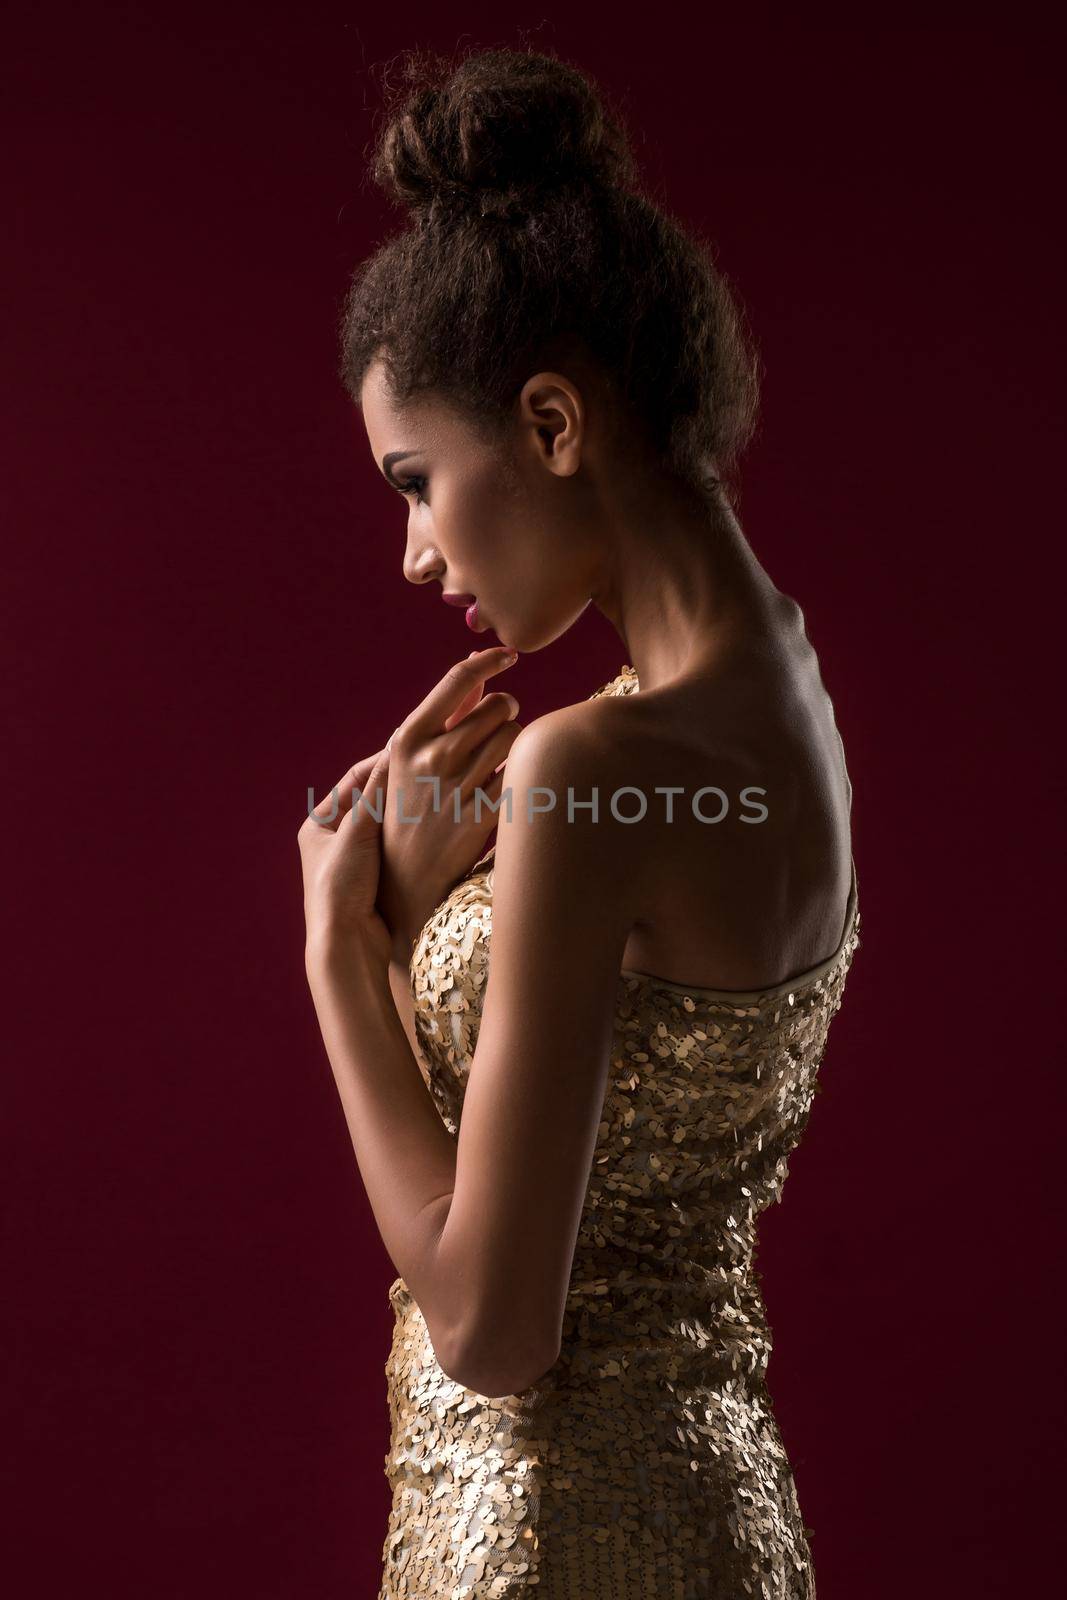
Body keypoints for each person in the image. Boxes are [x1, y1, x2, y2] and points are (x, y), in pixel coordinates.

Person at [297, 42, 861, 1599]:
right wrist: (426, 931)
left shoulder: (588, 769)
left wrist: (343, 956)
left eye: (418, 481)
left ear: (552, 425)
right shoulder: (786, 686)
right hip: (722, 1517)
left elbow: (492, 1323)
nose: (416, 554)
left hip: (550, 1536)